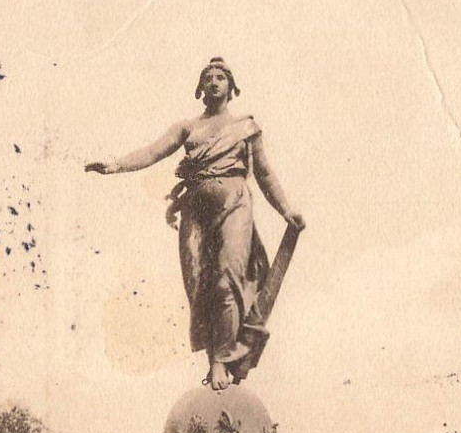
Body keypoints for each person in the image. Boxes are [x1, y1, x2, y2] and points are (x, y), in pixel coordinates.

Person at [86, 57, 305, 391]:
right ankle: (213, 359)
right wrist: (116, 166)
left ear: (231, 87)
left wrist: (286, 210)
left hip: (234, 204)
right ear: (200, 88)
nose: (214, 82)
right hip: (195, 211)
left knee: (227, 278)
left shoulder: (246, 126)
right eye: (208, 77)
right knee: (200, 285)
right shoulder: (187, 128)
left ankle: (221, 361)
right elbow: (152, 151)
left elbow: (264, 173)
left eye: (220, 77)